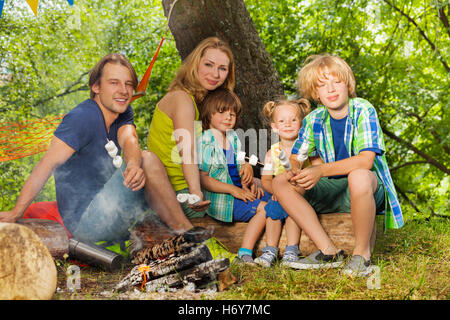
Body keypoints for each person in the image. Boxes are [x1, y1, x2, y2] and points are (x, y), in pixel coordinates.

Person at [0, 53, 195, 243]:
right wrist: (17, 211)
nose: (124, 90)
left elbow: (129, 140)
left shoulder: (123, 110)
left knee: (144, 162)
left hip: (113, 209)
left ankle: (173, 238)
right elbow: (46, 164)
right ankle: (190, 235)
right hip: (86, 223)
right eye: (114, 83)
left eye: (128, 84)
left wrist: (134, 165)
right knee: (149, 160)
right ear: (96, 87)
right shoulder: (82, 118)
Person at [273, 54, 404, 277]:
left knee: (359, 176)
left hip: (368, 188)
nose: (331, 89)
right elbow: (297, 156)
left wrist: (321, 169)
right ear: (316, 94)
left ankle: (362, 256)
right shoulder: (313, 120)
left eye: (337, 82)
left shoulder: (363, 109)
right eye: (322, 85)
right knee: (281, 181)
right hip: (333, 189)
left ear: (348, 84)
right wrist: (295, 169)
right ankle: (329, 252)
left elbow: (366, 161)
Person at [147, 37, 253, 219]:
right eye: (209, 65)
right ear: (195, 64)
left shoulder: (202, 104)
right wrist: (195, 193)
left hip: (202, 180)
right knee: (263, 207)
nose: (215, 74)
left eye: (222, 69)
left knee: (259, 185)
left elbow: (221, 148)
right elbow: (187, 152)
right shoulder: (182, 99)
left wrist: (244, 164)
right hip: (179, 192)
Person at [197, 88, 269, 264]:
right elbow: (203, 178)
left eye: (232, 114)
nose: (228, 117)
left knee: (275, 195)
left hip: (239, 190)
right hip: (223, 200)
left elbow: (235, 166)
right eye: (222, 112)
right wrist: (234, 190)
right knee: (266, 208)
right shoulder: (205, 141)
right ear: (209, 114)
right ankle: (244, 252)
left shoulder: (232, 138)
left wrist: (247, 173)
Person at [254, 98, 311, 268]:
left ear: (301, 124)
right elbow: (265, 179)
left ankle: (292, 250)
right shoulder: (273, 153)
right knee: (272, 211)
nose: (287, 124)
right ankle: (271, 249)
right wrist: (277, 193)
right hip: (277, 195)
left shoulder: (306, 148)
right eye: (281, 121)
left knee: (293, 211)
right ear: (274, 126)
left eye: (293, 120)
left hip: (300, 195)